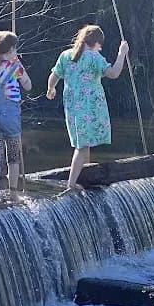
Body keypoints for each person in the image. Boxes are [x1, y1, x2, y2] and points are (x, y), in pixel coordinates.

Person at [46, 24, 128, 190]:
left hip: (72, 106)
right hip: (89, 107)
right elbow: (113, 73)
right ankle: (71, 184)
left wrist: (50, 89)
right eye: (100, 45)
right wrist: (122, 54)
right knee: (82, 146)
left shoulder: (66, 55)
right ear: (96, 43)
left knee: (85, 141)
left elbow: (54, 75)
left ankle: (86, 176)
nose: (100, 48)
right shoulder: (94, 57)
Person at [0, 31, 32, 201]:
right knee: (13, 157)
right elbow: (28, 86)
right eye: (15, 48)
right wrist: (18, 64)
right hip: (10, 117)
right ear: (11, 49)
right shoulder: (16, 67)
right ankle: (13, 192)